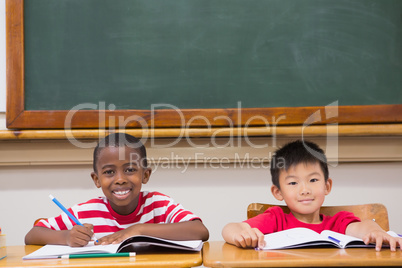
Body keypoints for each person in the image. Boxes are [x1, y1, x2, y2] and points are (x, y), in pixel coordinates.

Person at [25, 133, 209, 247]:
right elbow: (32, 235)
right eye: (109, 172)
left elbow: (199, 230)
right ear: (96, 179)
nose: (120, 179)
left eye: (130, 170)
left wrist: (138, 229)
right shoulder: (85, 212)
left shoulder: (158, 204)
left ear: (145, 175)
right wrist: (66, 237)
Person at [222, 140, 402, 251]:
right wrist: (241, 235)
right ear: (278, 192)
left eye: (313, 180)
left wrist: (377, 233)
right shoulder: (276, 219)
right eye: (293, 183)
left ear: (327, 186)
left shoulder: (338, 223)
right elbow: (230, 228)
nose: (304, 190)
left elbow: (365, 227)